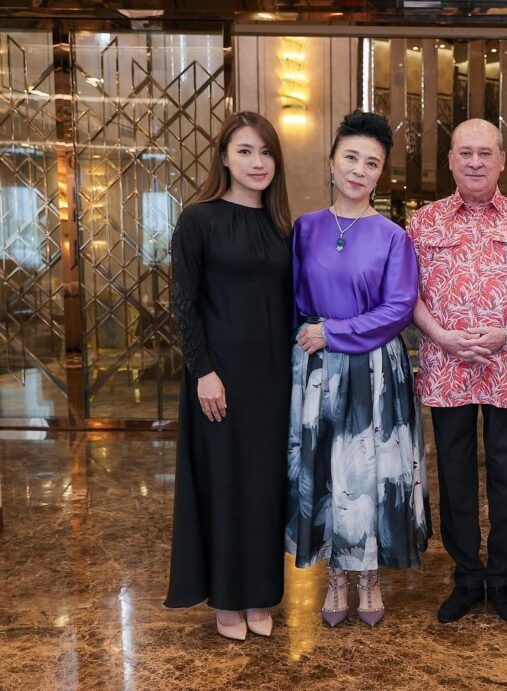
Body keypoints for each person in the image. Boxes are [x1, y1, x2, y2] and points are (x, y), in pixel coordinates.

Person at [285, 111, 430, 628]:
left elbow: (398, 308)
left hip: (373, 368)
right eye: (351, 157)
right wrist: (314, 336)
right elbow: (294, 301)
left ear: (380, 173)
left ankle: (369, 578)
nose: (359, 170)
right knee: (326, 468)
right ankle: (335, 578)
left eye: (372, 163)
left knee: (367, 473)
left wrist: (334, 333)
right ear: (331, 161)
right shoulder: (305, 228)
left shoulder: (393, 236)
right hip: (319, 368)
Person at [408, 118, 507, 625]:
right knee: (456, 475)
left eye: (484, 153)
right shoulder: (422, 223)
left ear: (501, 160)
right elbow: (410, 296)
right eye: (464, 153)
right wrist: (443, 337)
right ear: (449, 160)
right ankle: (467, 577)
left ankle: (503, 577)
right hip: (446, 368)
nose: (474, 162)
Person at [165, 111, 293, 641]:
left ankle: (260, 593)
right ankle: (225, 599)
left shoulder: (283, 225)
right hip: (219, 378)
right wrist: (204, 372)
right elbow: (182, 302)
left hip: (274, 379)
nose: (257, 162)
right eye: (245, 151)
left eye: (265, 152)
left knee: (265, 485)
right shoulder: (198, 219)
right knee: (223, 483)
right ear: (223, 156)